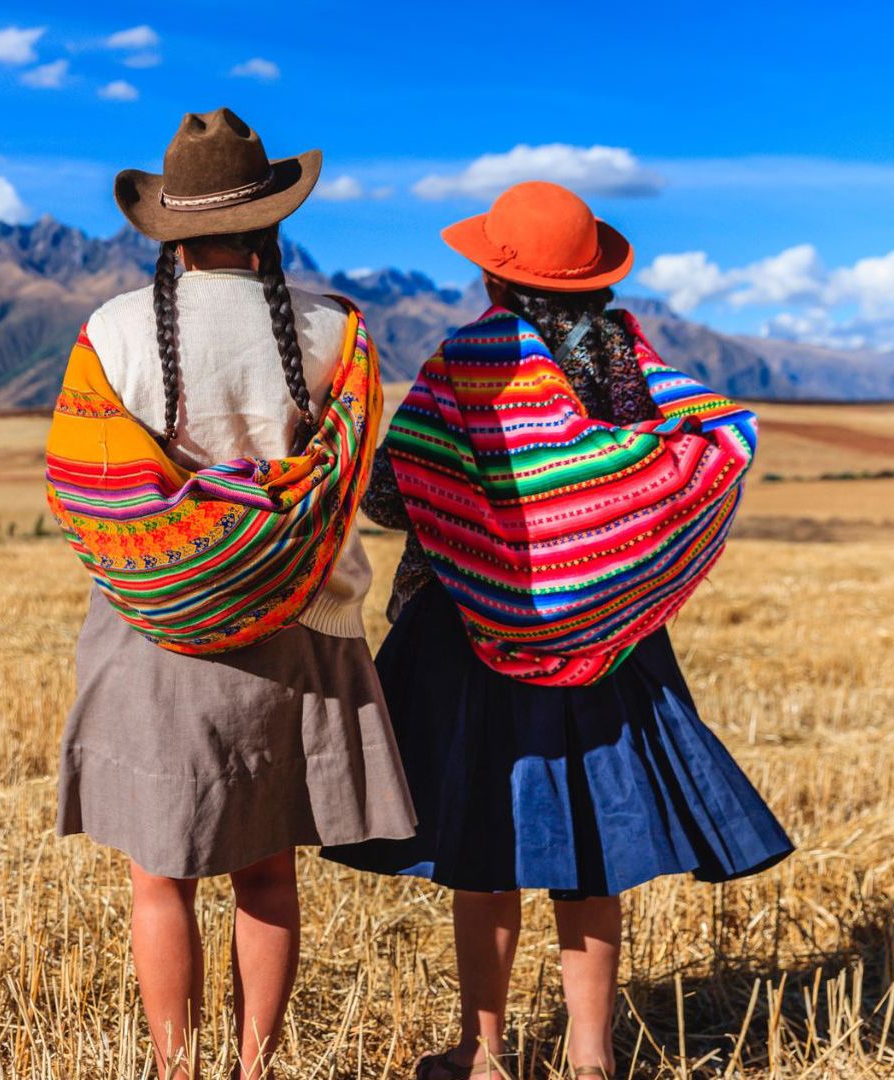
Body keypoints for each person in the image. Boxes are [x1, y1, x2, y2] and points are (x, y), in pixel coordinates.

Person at [324, 181, 794, 1080]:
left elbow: (393, 491)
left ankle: (483, 1052)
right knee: (590, 848)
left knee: (483, 842)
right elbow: (694, 458)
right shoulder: (634, 364)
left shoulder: (466, 361)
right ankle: (590, 1058)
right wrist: (594, 533)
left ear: (495, 276)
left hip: (465, 636)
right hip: (611, 642)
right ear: (595, 276)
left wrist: (483, 513)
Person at [43, 108, 416, 1080]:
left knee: (158, 878)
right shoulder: (336, 333)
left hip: (154, 641)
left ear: (170, 225)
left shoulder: (112, 334)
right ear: (271, 220)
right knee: (268, 874)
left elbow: (83, 488)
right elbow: (357, 469)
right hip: (299, 635)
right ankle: (257, 1069)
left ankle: (176, 1070)